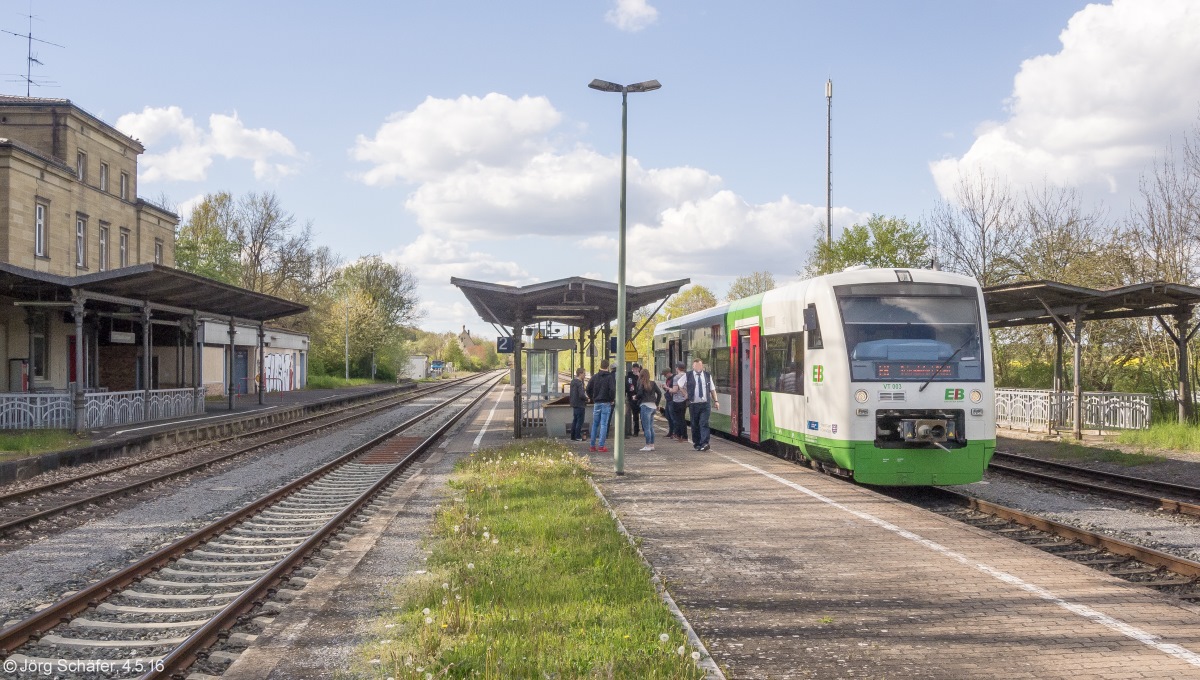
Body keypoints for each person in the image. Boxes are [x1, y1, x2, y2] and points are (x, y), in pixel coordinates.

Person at [686, 358, 719, 451]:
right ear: (693, 366)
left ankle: (705, 443)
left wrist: (716, 401)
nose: (698, 367)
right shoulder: (688, 375)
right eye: (696, 365)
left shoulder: (707, 375)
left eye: (700, 365)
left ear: (702, 366)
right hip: (693, 404)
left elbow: (712, 389)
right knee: (695, 424)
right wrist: (685, 394)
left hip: (705, 404)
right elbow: (680, 385)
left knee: (704, 423)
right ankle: (697, 443)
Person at [585, 359, 616, 453]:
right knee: (603, 424)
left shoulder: (595, 377)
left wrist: (592, 398)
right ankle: (601, 446)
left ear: (600, 366)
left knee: (595, 424)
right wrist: (611, 399)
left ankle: (592, 446)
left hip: (597, 403)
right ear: (607, 367)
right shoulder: (610, 377)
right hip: (606, 403)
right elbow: (612, 390)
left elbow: (588, 389)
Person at [635, 368, 663, 451]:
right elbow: (659, 393)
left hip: (645, 405)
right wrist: (656, 404)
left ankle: (647, 445)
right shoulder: (653, 383)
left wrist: (635, 397)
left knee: (646, 428)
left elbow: (640, 393)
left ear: (641, 375)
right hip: (653, 406)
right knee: (651, 427)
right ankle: (652, 445)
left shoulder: (641, 383)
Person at [669, 361, 689, 442]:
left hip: (677, 400)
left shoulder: (677, 377)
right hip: (685, 400)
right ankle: (683, 436)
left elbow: (675, 390)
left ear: (677, 368)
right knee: (682, 418)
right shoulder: (687, 376)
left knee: (678, 419)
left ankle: (680, 435)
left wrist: (668, 389)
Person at [568, 367, 587, 441]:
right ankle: (578, 436)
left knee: (575, 420)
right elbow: (581, 394)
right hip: (580, 404)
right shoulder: (579, 383)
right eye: (584, 373)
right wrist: (587, 399)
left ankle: (573, 436)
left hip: (574, 404)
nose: (585, 375)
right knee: (580, 421)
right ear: (580, 374)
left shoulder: (573, 382)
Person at [625, 363, 641, 437]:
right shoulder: (628, 377)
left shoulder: (641, 376)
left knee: (640, 415)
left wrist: (639, 376)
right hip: (631, 397)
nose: (636, 370)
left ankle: (640, 430)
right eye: (634, 368)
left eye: (637, 368)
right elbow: (626, 386)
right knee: (634, 415)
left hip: (640, 398)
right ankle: (634, 431)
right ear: (632, 369)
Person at [660, 369, 676, 436]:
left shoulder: (674, 378)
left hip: (672, 400)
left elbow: (674, 389)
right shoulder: (668, 379)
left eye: (665, 374)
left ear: (669, 373)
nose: (664, 376)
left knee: (673, 417)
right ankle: (671, 431)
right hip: (668, 399)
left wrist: (667, 387)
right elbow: (668, 389)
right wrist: (664, 388)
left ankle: (674, 432)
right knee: (668, 415)